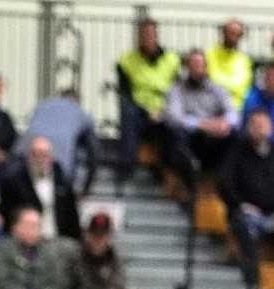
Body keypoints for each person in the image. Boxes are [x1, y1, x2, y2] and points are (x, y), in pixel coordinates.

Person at [116, 19, 181, 186]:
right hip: (139, 109)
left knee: (176, 125)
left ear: (156, 35)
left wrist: (163, 111)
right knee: (128, 114)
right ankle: (126, 167)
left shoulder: (172, 59)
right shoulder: (127, 60)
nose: (148, 38)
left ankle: (170, 172)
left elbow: (177, 91)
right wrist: (146, 110)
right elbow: (125, 92)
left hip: (165, 109)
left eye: (151, 34)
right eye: (144, 35)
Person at [163, 49, 238, 194]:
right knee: (174, 134)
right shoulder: (176, 90)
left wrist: (223, 123)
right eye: (192, 65)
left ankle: (223, 183)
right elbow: (174, 118)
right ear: (186, 68)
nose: (196, 69)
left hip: (213, 139)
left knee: (234, 135)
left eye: (199, 65)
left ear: (206, 67)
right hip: (191, 137)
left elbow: (233, 114)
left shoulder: (218, 89)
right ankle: (189, 184)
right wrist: (204, 124)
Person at [219, 108, 274, 284]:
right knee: (243, 225)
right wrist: (240, 204)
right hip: (245, 211)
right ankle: (253, 275)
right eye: (256, 125)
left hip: (271, 213)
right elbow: (225, 183)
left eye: (264, 125)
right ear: (249, 128)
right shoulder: (237, 151)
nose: (260, 130)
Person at [17, 90, 98, 196]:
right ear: (77, 101)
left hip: (24, 155)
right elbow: (94, 152)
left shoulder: (42, 106)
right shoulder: (80, 113)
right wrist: (86, 187)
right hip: (59, 166)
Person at [0, 136, 81, 239]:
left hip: (57, 239)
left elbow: (72, 215)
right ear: (28, 156)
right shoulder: (14, 183)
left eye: (44, 155)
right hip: (25, 241)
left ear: (51, 157)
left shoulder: (61, 180)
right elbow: (8, 217)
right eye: (35, 154)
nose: (40, 159)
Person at [63, 213, 126, 289]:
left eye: (103, 235)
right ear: (88, 234)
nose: (99, 239)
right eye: (95, 234)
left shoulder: (114, 259)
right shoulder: (75, 256)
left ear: (109, 236)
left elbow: (119, 287)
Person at [206, 19, 253, 111]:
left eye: (237, 34)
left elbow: (242, 88)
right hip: (210, 106)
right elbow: (209, 82)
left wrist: (220, 84)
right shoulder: (208, 55)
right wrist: (230, 87)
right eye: (230, 33)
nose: (233, 37)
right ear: (223, 33)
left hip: (236, 108)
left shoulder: (245, 60)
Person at [241, 61, 274, 133]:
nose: (272, 80)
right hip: (254, 141)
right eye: (270, 76)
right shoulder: (253, 97)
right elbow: (245, 125)